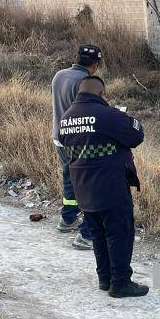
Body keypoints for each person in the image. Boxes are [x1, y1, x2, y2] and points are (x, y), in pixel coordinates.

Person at [57, 76, 149, 298]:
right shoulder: (107, 115)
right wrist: (122, 115)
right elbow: (136, 135)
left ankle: (105, 279)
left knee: (98, 235)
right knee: (120, 233)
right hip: (110, 186)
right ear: (100, 94)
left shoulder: (66, 118)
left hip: (82, 188)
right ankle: (120, 283)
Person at [51, 45, 103, 250]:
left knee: (70, 178)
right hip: (79, 141)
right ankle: (86, 235)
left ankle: (67, 218)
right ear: (95, 65)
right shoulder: (86, 82)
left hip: (59, 137)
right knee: (89, 184)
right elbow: (91, 111)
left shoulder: (59, 75)